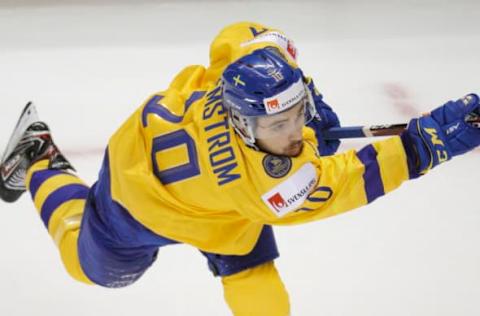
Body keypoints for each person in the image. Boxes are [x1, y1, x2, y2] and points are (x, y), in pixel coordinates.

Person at [1, 21, 479, 316]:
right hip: (140, 197)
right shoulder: (271, 188)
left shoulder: (245, 82)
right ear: (244, 122)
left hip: (186, 173)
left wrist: (307, 94)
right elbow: (354, 180)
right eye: (279, 123)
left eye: (297, 111)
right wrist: (425, 145)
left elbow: (242, 34)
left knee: (255, 280)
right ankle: (39, 154)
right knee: (94, 271)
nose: (294, 130)